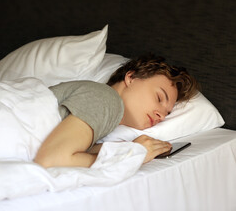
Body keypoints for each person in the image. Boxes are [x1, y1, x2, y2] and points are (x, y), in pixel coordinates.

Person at [34, 53, 198, 168]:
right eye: (159, 98)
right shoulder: (107, 98)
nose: (161, 115)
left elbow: (72, 148)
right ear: (131, 77)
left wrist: (127, 147)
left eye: (167, 113)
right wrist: (130, 155)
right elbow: (51, 159)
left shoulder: (101, 114)